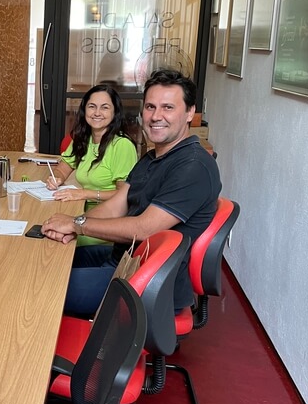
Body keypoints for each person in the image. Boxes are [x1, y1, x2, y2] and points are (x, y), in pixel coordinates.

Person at [42, 69, 221, 316]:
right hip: (123, 258)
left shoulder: (193, 166)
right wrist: (73, 224)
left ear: (190, 112)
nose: (156, 116)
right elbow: (117, 205)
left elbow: (144, 228)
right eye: (150, 107)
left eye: (168, 107)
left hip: (146, 279)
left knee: (43, 286)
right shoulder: (152, 158)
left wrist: (77, 225)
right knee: (43, 262)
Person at [44, 83, 138, 245]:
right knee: (48, 229)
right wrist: (56, 178)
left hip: (105, 225)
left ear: (115, 112)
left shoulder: (122, 145)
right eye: (92, 106)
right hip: (81, 214)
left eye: (105, 108)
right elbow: (62, 169)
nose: (97, 113)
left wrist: (84, 193)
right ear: (84, 110)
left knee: (53, 240)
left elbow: (124, 196)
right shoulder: (83, 138)